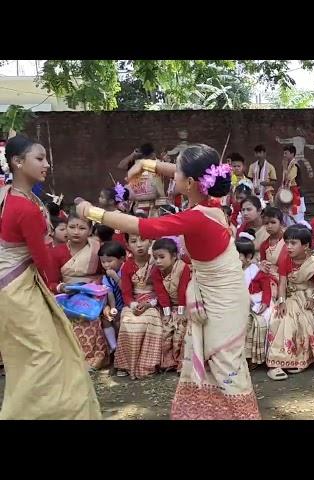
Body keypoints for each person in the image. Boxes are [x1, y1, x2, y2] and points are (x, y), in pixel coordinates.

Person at [75, 143, 260, 419]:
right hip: (218, 294)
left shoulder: (196, 217)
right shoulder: (209, 200)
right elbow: (182, 173)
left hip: (223, 300)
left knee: (223, 362)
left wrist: (92, 212)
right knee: (214, 360)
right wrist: (147, 165)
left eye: (179, 173)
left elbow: (143, 228)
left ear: (190, 182)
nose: (173, 176)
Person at [0, 135, 100, 419]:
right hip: (18, 289)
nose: (47, 163)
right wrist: (60, 285)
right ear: (18, 162)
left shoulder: (13, 196)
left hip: (14, 287)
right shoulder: (25, 207)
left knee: (30, 355)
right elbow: (43, 258)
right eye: (39, 158)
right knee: (44, 355)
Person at [49, 211, 110, 370]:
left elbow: (107, 273)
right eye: (72, 227)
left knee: (91, 317)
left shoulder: (98, 250)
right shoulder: (57, 252)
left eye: (82, 228)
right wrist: (62, 288)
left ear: (90, 230)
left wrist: (93, 287)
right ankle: (70, 360)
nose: (76, 232)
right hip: (66, 297)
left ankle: (92, 359)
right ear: (66, 228)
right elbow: (51, 282)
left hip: (96, 296)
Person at [266, 224, 314, 381]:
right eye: (287, 243)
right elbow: (283, 283)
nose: (289, 247)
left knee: (304, 319)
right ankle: (276, 361)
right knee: (280, 317)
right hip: (290, 296)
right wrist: (282, 300)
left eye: (293, 243)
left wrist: (312, 299)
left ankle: (299, 359)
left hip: (308, 296)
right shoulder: (286, 260)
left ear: (305, 246)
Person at [113, 233, 162, 379]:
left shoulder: (157, 262)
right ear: (128, 245)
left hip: (153, 301)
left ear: (150, 241)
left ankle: (147, 365)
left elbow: (162, 290)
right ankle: (125, 365)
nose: (139, 245)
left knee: (151, 320)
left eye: (143, 240)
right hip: (133, 302)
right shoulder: (127, 265)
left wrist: (149, 304)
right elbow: (126, 293)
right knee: (128, 322)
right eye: (134, 241)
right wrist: (133, 305)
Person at [150, 237, 191, 373]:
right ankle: (168, 362)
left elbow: (183, 290)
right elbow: (161, 293)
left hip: (185, 305)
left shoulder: (183, 268)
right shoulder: (155, 271)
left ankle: (182, 363)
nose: (158, 261)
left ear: (174, 256)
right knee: (166, 329)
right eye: (155, 258)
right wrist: (167, 314)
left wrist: (181, 312)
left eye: (162, 257)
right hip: (167, 307)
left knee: (181, 329)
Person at [236, 233, 272, 368]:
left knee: (260, 322)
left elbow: (266, 288)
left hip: (257, 301)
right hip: (238, 303)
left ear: (249, 257)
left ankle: (254, 358)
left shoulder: (256, 270)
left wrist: (265, 303)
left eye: (238, 256)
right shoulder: (231, 272)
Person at [98, 241, 127, 356]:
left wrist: (115, 277)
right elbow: (109, 293)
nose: (106, 265)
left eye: (109, 261)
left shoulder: (125, 271)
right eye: (103, 262)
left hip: (128, 303)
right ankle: (113, 346)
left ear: (122, 259)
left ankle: (123, 349)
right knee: (107, 319)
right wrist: (112, 308)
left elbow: (125, 288)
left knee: (121, 322)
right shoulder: (106, 277)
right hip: (117, 305)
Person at [259, 206, 286, 300]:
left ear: (281, 223)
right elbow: (263, 264)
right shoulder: (264, 245)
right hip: (272, 280)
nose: (269, 226)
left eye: (273, 222)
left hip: (289, 278)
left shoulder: (289, 240)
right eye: (266, 223)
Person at [281, 145, 307, 223]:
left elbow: (289, 178)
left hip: (295, 193)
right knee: (287, 215)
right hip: (289, 193)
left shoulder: (294, 165)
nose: (284, 155)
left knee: (296, 215)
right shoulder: (289, 165)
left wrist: (285, 168)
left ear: (292, 154)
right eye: (284, 153)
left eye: (286, 153)